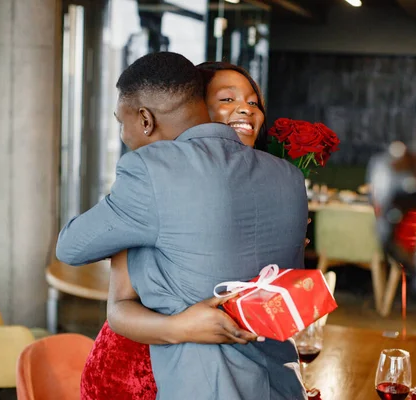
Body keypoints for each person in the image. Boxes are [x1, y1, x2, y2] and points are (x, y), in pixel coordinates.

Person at [56, 53, 308, 400]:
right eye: (226, 100)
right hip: (281, 386)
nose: (243, 110)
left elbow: (70, 247)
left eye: (121, 122)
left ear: (145, 118)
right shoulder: (290, 178)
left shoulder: (149, 172)